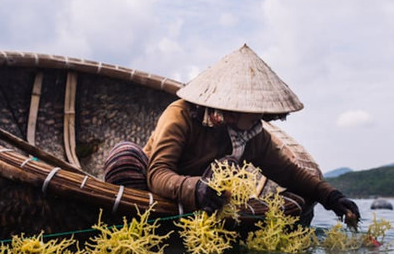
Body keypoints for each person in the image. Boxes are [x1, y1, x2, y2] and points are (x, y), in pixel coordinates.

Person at [104, 44, 361, 228]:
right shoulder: (180, 115)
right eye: (254, 110)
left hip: (206, 203)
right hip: (156, 193)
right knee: (124, 155)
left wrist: (331, 197)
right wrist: (197, 189)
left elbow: (289, 173)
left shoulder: (251, 135)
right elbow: (158, 173)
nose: (261, 116)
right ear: (232, 109)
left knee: (228, 169)